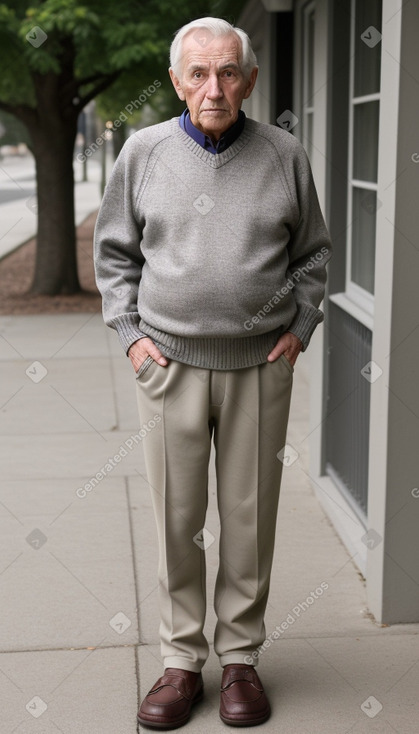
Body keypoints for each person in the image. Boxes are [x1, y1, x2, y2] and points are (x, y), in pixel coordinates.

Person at [94, 16, 331, 730]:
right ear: (175, 81)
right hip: (170, 365)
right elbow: (114, 260)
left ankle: (239, 663)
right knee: (176, 520)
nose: (214, 87)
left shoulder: (283, 154)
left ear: (250, 80)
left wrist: (298, 329)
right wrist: (132, 338)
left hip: (260, 366)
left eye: (228, 72)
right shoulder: (142, 154)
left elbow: (313, 255)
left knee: (247, 518)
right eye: (197, 73)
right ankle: (178, 660)